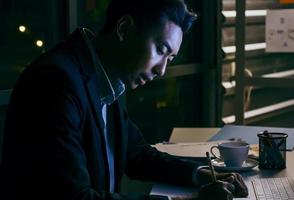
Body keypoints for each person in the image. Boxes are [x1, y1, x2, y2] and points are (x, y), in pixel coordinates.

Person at [0, 0, 248, 199]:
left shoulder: (105, 76)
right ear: (124, 29)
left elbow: (136, 154)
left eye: (170, 59)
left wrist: (203, 174)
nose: (162, 70)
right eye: (161, 50)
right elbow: (73, 196)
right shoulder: (57, 81)